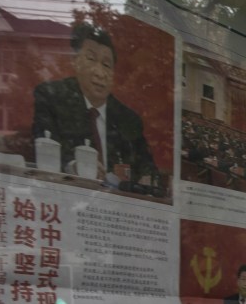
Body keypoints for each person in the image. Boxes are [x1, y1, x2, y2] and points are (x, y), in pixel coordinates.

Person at [31, 23, 160, 188]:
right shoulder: (52, 98)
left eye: (106, 65)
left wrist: (146, 179)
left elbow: (148, 168)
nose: (99, 73)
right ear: (75, 61)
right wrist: (74, 167)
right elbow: (42, 148)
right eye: (91, 59)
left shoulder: (128, 119)